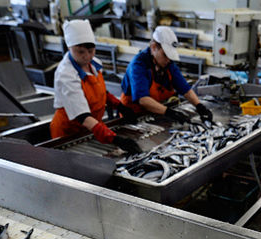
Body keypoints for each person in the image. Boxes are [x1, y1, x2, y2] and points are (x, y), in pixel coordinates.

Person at [51, 19, 140, 153]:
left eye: (90, 51)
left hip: (93, 128)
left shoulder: (94, 64)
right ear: (69, 48)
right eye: (80, 52)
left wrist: (120, 106)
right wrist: (115, 139)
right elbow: (82, 116)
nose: (87, 56)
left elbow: (101, 92)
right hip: (70, 133)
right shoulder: (66, 75)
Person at [120, 26, 212, 123]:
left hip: (154, 111)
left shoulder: (167, 63)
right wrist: (169, 112)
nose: (168, 60)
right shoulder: (139, 65)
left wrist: (199, 106)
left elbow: (185, 89)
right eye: (165, 55)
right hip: (133, 115)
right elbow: (142, 99)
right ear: (154, 47)